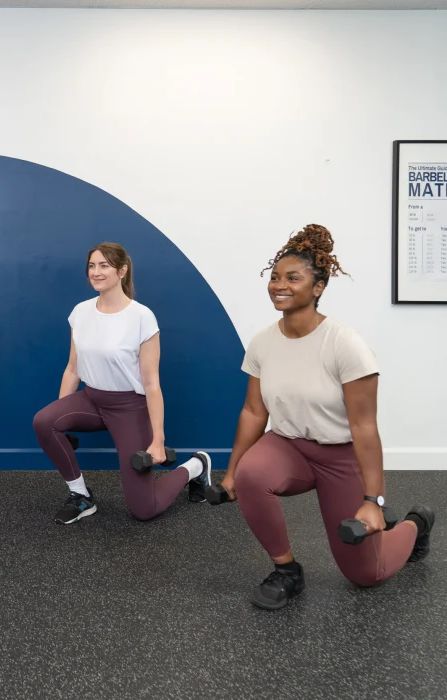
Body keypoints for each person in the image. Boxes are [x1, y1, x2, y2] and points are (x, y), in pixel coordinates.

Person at [216, 224, 435, 610]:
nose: (279, 285)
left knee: (367, 575)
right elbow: (254, 411)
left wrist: (373, 498)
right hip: (288, 446)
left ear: (317, 288)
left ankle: (415, 524)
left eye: (293, 278)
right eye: (275, 277)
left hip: (341, 455)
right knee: (252, 474)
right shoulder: (263, 341)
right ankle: (286, 570)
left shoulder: (345, 344)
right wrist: (233, 471)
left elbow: (364, 427)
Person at [33, 242, 211, 525]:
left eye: (104, 265)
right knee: (44, 421)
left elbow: (152, 383)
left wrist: (158, 441)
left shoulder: (141, 317)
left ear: (122, 271)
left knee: (144, 509)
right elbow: (72, 368)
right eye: (92, 266)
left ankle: (196, 466)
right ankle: (81, 496)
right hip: (91, 399)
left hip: (130, 406)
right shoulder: (81, 312)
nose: (96, 272)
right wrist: (62, 415)